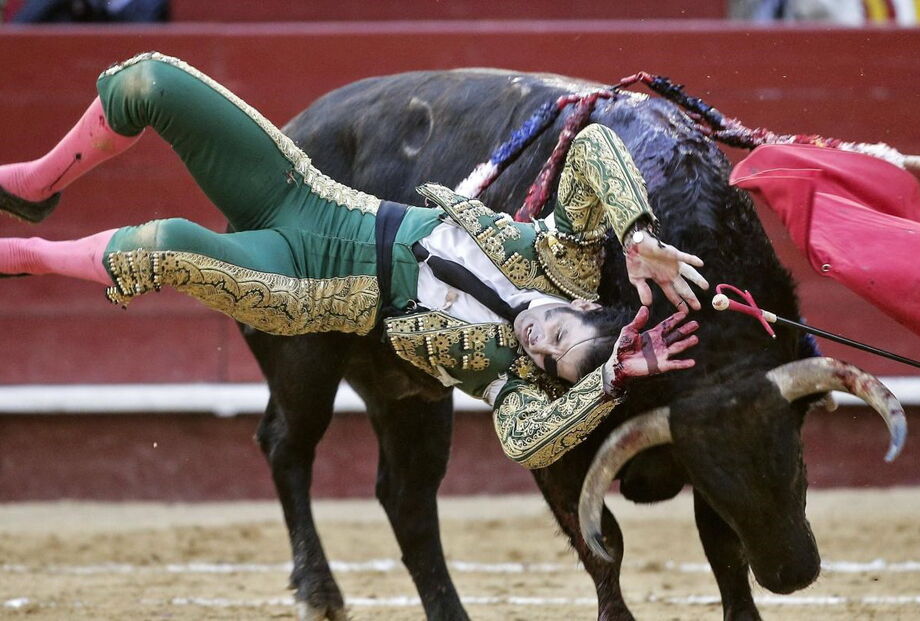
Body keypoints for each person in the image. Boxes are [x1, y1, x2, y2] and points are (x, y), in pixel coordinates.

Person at [0, 52, 706, 468]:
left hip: (299, 284)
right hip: (313, 199)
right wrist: (636, 231)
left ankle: (22, 255)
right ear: (580, 304)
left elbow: (529, 442)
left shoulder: (510, 380)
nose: (535, 343)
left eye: (547, 360)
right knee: (149, 81)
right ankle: (34, 185)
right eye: (556, 334)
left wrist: (605, 381)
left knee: (161, 248)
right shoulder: (564, 258)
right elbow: (592, 147)